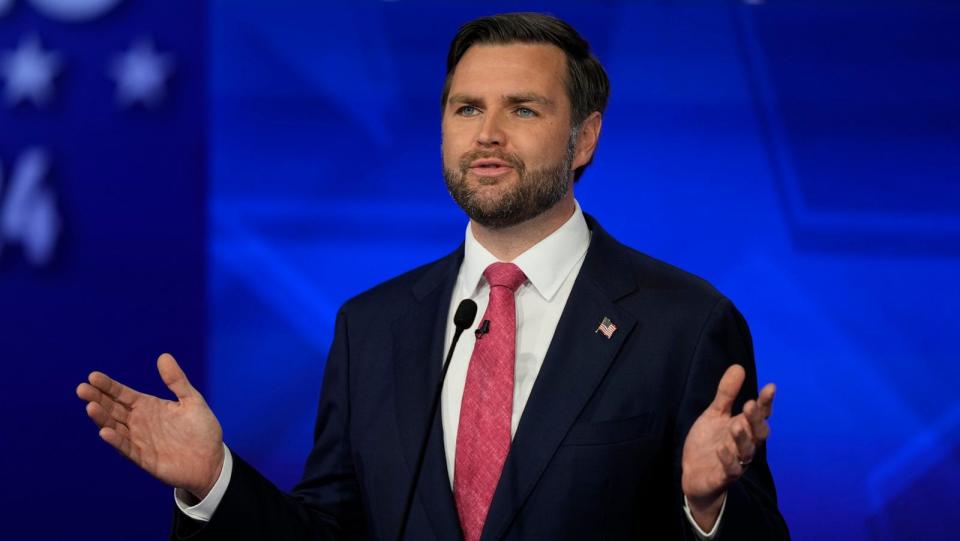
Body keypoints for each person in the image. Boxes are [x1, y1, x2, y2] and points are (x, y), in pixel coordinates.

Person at [77, 12, 788, 540]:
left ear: (586, 137)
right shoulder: (373, 326)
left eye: (524, 109)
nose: (487, 133)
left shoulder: (684, 323)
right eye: (467, 108)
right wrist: (215, 482)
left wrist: (706, 507)